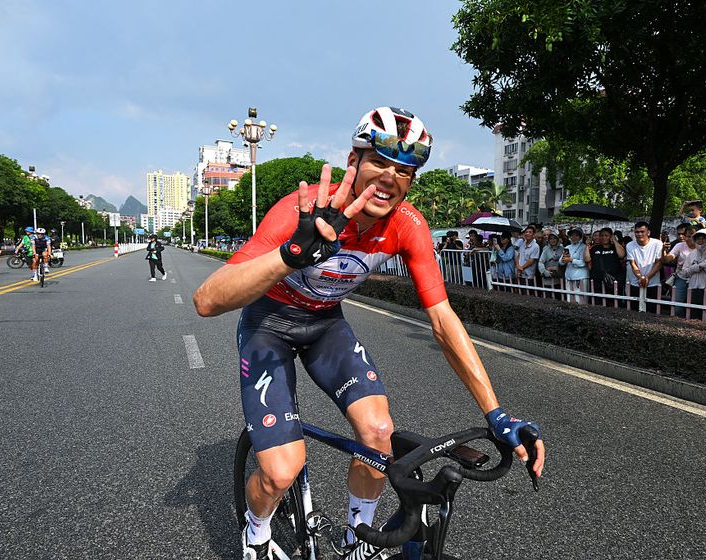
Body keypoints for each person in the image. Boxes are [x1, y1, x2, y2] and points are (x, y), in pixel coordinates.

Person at [192, 106, 544, 559]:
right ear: (353, 160)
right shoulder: (300, 212)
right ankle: (256, 532)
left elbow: (442, 318)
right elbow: (206, 301)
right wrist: (291, 253)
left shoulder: (407, 226)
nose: (390, 178)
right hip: (269, 326)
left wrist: (496, 413)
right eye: (379, 161)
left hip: (325, 326)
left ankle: (357, 538)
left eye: (405, 170)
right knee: (280, 472)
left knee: (378, 431)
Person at [625, 221, 664, 312]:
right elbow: (632, 263)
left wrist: (647, 277)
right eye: (637, 232)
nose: (639, 234)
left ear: (648, 232)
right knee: (635, 309)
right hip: (636, 282)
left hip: (653, 282)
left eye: (642, 231)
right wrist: (640, 278)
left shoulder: (657, 243)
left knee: (652, 311)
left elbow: (659, 263)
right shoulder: (630, 245)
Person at [660, 224, 698, 306]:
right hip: (681, 278)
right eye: (688, 236)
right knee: (678, 305)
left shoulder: (703, 247)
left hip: (697, 279)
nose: (689, 239)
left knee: (695, 304)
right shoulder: (679, 246)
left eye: (692, 236)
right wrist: (663, 250)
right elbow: (666, 259)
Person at [590, 227, 626, 304]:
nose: (604, 237)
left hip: (614, 280)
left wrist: (615, 241)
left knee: (614, 302)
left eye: (606, 235)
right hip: (598, 280)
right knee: (599, 302)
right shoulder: (594, 248)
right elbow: (587, 260)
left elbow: (621, 255)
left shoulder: (615, 247)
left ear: (610, 236)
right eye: (602, 235)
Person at [562, 228, 591, 304]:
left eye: (576, 235)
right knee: (569, 299)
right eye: (572, 235)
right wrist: (564, 259)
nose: (574, 237)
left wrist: (571, 260)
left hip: (580, 276)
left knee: (580, 300)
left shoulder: (584, 247)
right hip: (569, 276)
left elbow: (583, 263)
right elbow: (561, 262)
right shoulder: (567, 247)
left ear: (580, 237)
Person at [537, 232, 564, 298]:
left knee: (559, 297)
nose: (553, 240)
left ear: (557, 239)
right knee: (548, 298)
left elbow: (564, 260)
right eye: (551, 238)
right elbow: (540, 262)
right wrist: (544, 271)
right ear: (548, 240)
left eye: (554, 238)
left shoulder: (562, 249)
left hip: (559, 278)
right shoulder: (546, 249)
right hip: (548, 278)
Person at [515, 225, 541, 292]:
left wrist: (521, 268)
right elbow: (518, 255)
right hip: (519, 273)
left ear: (533, 234)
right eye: (526, 232)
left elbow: (531, 261)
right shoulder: (522, 244)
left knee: (527, 294)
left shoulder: (535, 246)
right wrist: (518, 266)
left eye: (530, 232)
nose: (528, 234)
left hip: (528, 275)